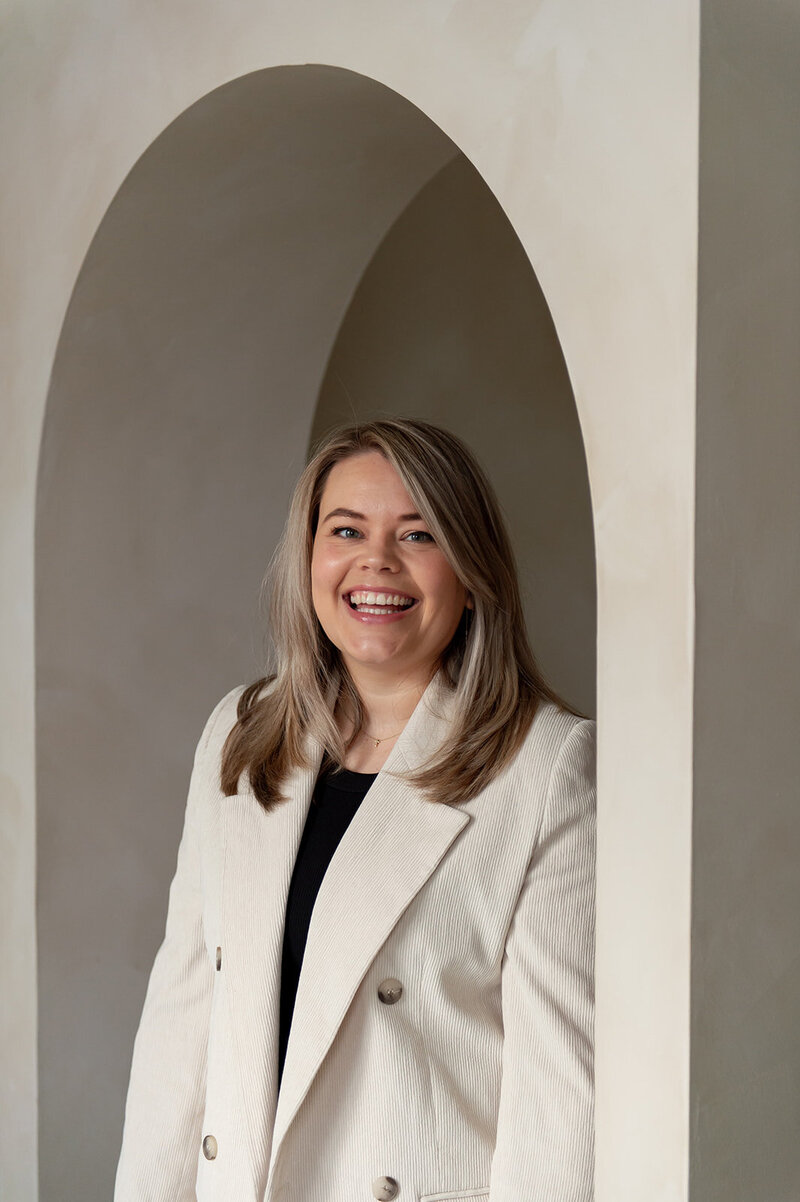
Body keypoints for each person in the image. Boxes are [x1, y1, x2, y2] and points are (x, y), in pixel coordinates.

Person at [114, 418, 596, 1202]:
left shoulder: (549, 767)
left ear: (472, 570)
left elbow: (559, 1112)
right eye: (346, 530)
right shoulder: (240, 732)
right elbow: (183, 1018)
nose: (377, 561)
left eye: (419, 534)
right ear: (309, 557)